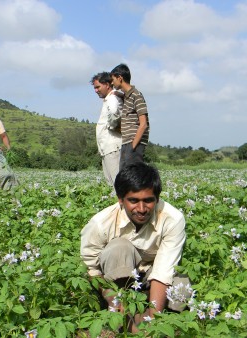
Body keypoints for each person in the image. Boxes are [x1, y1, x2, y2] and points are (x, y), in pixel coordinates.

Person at [80, 162, 190, 332]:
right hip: (115, 283)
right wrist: (112, 299)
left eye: (148, 201)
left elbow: (163, 272)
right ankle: (119, 312)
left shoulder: (172, 219)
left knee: (182, 287)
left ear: (157, 199)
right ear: (121, 199)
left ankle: (149, 317)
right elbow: (91, 270)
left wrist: (153, 325)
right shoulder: (100, 224)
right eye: (133, 201)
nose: (141, 209)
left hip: (150, 281)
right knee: (119, 247)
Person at [110, 64, 149, 169]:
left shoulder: (137, 95)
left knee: (133, 175)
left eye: (113, 79)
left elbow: (143, 124)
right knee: (124, 175)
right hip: (126, 142)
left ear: (120, 78)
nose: (112, 83)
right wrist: (119, 95)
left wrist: (133, 146)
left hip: (133, 142)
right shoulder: (127, 96)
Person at [90, 72, 123, 186]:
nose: (96, 90)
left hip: (112, 147)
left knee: (117, 184)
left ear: (107, 85)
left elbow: (114, 113)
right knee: (111, 184)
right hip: (107, 148)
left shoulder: (112, 98)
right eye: (95, 88)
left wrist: (112, 126)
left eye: (98, 87)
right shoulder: (109, 99)